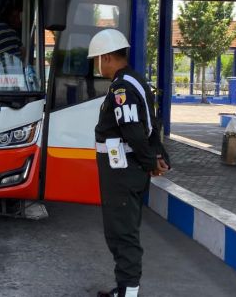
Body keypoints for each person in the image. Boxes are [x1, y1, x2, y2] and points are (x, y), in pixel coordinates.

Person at [88, 29, 171, 297]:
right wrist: (157, 156)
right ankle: (124, 288)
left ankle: (129, 292)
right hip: (124, 170)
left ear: (108, 57)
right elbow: (152, 124)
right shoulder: (134, 81)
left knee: (122, 233)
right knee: (121, 230)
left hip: (123, 172)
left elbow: (134, 130)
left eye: (98, 59)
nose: (97, 65)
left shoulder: (122, 87)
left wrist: (151, 161)